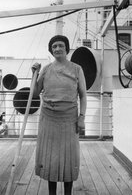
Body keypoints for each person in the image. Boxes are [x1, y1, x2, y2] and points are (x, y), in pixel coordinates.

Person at [32, 35, 87, 195]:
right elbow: (35, 92)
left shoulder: (77, 69)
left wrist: (81, 117)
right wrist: (34, 74)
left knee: (69, 159)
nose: (57, 48)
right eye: (54, 46)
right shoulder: (47, 69)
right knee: (50, 159)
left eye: (60, 45)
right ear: (51, 50)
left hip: (69, 119)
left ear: (66, 48)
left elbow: (83, 95)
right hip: (48, 118)